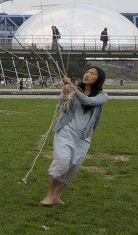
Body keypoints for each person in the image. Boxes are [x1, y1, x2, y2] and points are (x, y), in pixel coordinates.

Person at [40, 66, 108, 206]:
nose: (87, 75)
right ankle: (50, 194)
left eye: (92, 73)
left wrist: (72, 87)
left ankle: (57, 196)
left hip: (83, 138)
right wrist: (65, 95)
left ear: (98, 79)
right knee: (62, 161)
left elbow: (88, 101)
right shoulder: (74, 91)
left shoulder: (102, 96)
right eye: (87, 72)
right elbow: (62, 109)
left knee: (73, 167)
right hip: (66, 131)